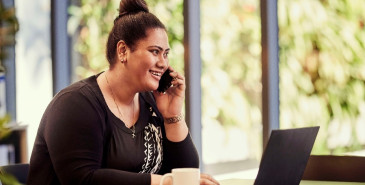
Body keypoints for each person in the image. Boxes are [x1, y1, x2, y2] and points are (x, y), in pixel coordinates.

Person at [27, 0, 219, 185]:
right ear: (123, 51)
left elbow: (185, 175)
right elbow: (83, 179)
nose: (163, 63)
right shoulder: (74, 104)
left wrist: (172, 115)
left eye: (166, 54)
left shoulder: (151, 101)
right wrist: (162, 182)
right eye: (155, 51)